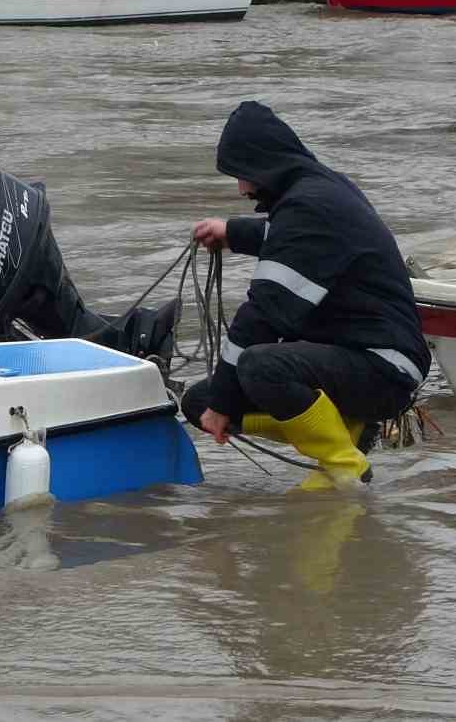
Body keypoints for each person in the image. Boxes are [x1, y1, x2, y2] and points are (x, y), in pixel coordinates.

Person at [181, 101, 431, 490]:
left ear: (264, 165)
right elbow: (290, 239)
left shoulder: (310, 206)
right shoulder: (317, 193)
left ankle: (345, 464)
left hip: (386, 367)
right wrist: (231, 231)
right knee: (199, 401)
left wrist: (223, 405)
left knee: (258, 366)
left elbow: (262, 316)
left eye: (242, 175)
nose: (242, 188)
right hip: (355, 358)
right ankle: (347, 432)